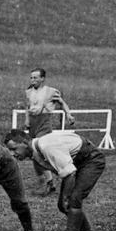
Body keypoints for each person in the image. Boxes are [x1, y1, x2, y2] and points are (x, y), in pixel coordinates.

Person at [4, 128, 105, 231]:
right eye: (10, 150)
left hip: (91, 160)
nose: (13, 154)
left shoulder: (47, 147)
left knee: (73, 200)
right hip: (77, 163)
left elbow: (70, 173)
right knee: (63, 205)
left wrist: (65, 196)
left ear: (25, 143)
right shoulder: (36, 151)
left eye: (14, 149)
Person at [24, 68, 75, 196]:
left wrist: (68, 114)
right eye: (31, 78)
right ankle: (47, 183)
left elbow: (62, 103)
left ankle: (52, 181)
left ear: (42, 78)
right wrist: (26, 120)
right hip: (33, 125)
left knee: (39, 152)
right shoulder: (29, 91)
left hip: (44, 124)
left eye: (35, 78)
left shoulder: (51, 92)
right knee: (33, 155)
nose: (33, 80)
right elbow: (27, 107)